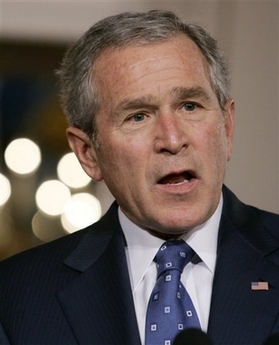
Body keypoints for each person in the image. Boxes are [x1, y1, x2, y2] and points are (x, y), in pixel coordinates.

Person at [0, 10, 278, 345]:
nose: (173, 140)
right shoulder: (14, 298)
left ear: (227, 128)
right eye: (138, 116)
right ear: (88, 153)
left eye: (189, 106)